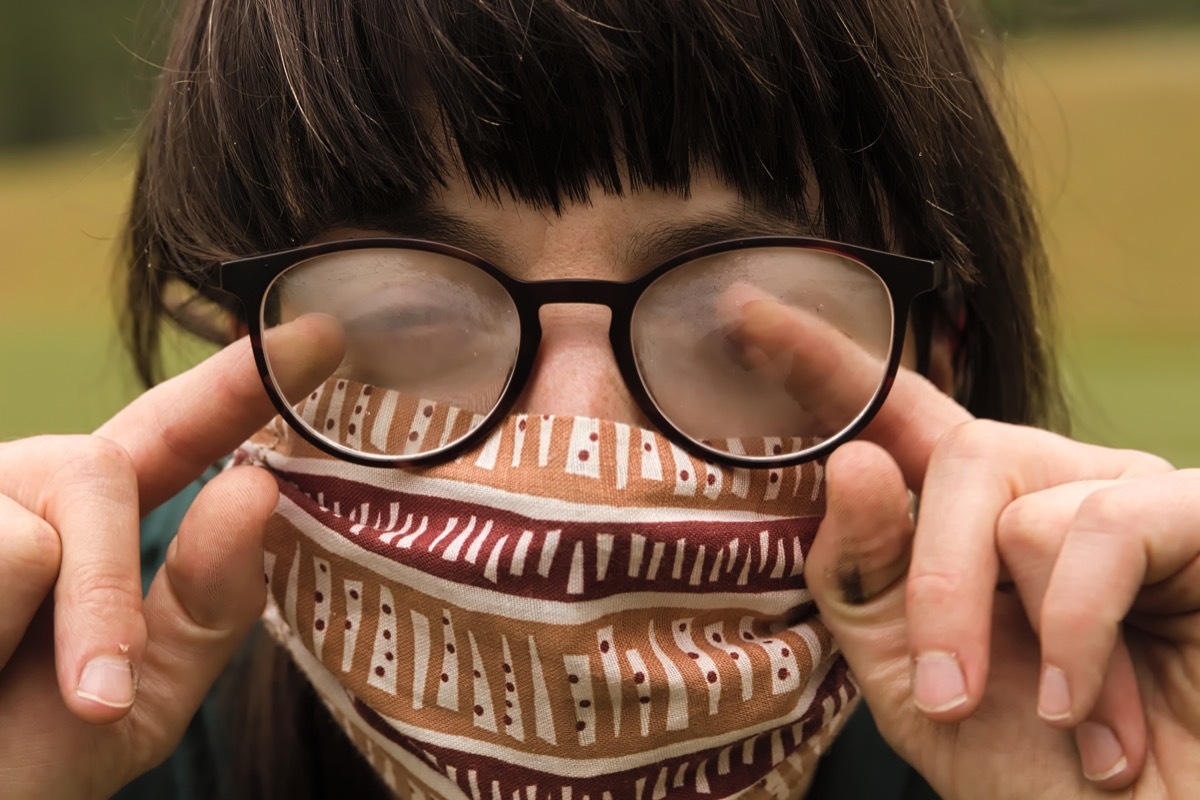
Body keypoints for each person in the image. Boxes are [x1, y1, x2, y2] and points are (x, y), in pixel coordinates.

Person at [2, 0, 1197, 797]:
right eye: (406, 312)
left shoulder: (1095, 704)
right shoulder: (64, 696)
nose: (577, 444)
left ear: (938, 356)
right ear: (238, 363)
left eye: (742, 326)